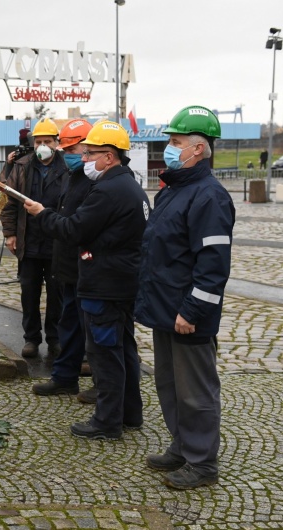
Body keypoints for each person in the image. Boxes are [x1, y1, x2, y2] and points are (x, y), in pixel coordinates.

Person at [23, 121, 149, 440]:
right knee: (123, 350)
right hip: (120, 282)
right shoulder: (129, 184)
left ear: (109, 156)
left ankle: (107, 421)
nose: (85, 158)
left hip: (104, 283)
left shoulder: (108, 189)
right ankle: (130, 413)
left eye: (90, 153)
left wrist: (41, 213)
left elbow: (73, 230)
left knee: (104, 354)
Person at [134, 105, 235, 489]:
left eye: (176, 142)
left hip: (187, 314)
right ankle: (182, 446)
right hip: (166, 309)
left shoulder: (209, 197)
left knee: (196, 392)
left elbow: (212, 265)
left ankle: (202, 463)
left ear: (198, 149)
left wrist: (192, 310)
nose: (169, 148)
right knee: (170, 385)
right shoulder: (178, 189)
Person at [32, 119, 94, 398]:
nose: (68, 153)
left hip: (91, 269)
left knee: (94, 331)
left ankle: (104, 385)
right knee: (69, 325)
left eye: (74, 147)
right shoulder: (74, 176)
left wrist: (43, 214)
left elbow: (76, 226)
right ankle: (65, 377)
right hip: (69, 266)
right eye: (65, 147)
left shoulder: (98, 182)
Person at [0, 118, 66, 358]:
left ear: (57, 143)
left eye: (47, 141)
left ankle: (55, 337)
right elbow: (8, 201)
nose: (42, 146)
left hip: (57, 241)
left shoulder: (66, 166)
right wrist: (9, 233)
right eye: (38, 141)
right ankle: (31, 338)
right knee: (29, 292)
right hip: (29, 240)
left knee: (57, 293)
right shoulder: (22, 166)